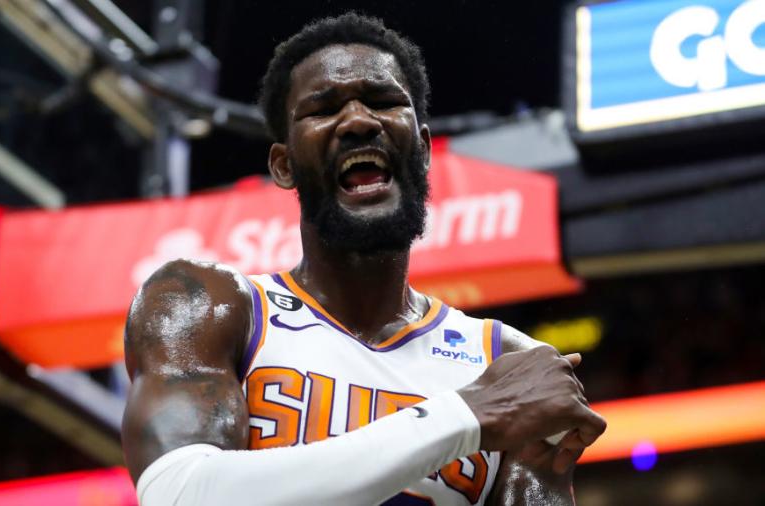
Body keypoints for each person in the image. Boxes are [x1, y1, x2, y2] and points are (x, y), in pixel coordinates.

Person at [122, 13, 606, 506]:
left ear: (422, 148)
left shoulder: (507, 362)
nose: (358, 121)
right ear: (284, 166)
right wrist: (467, 415)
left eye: (384, 101)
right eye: (324, 108)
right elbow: (179, 494)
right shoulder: (206, 306)